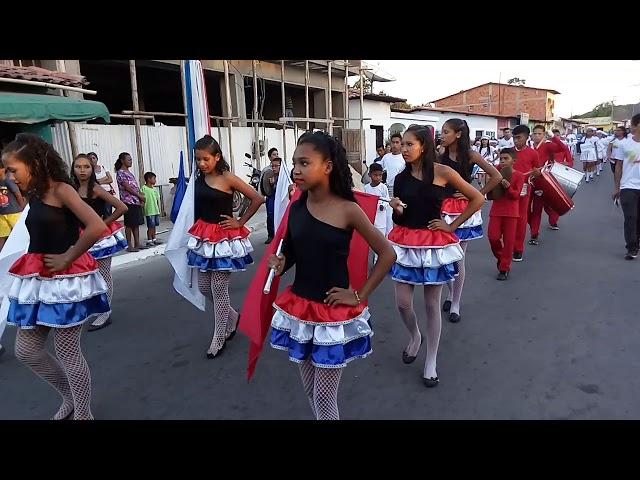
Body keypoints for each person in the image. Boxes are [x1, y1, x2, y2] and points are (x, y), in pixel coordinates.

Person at [268, 131, 396, 419]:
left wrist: (359, 295)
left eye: (304, 163)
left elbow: (388, 253)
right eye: (294, 163)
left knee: (325, 396)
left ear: (327, 166)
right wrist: (281, 262)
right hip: (300, 309)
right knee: (311, 391)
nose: (296, 170)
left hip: (331, 314)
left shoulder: (348, 209)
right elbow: (293, 251)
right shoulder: (297, 206)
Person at [2, 134, 110, 420]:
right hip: (38, 281)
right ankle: (70, 397)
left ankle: (83, 412)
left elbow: (96, 225)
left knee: (68, 352)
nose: (9, 176)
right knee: (26, 351)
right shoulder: (34, 195)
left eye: (13, 170)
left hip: (66, 282)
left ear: (34, 163)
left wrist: (68, 256)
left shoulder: (63, 190)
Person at [388, 125, 484, 387]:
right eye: (401, 144)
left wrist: (452, 226)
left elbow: (477, 198)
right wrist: (395, 207)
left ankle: (431, 361)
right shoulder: (400, 176)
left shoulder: (443, 172)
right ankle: (415, 336)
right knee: (403, 303)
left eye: (409, 144)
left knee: (432, 305)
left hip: (433, 244)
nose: (403, 149)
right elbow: (402, 214)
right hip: (406, 242)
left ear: (423, 146)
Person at [188, 135, 264, 357]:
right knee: (204, 287)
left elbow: (257, 198)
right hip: (204, 236)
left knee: (219, 289)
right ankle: (232, 317)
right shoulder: (198, 178)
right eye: (198, 159)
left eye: (206, 159)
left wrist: (239, 222)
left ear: (217, 157)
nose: (202, 164)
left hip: (224, 239)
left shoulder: (228, 177)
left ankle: (219, 337)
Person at [438, 119, 502, 323]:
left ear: (458, 134)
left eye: (446, 132)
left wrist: (475, 194)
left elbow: (496, 176)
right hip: (441, 208)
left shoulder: (472, 155)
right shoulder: (441, 154)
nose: (442, 135)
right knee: (443, 256)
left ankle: (456, 302)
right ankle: (450, 293)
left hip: (463, 210)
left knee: (458, 257)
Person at [71, 154, 129, 332]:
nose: (82, 170)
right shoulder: (69, 189)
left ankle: (105, 312)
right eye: (78, 167)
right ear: (72, 169)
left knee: (103, 274)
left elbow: (122, 207)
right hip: (77, 236)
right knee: (83, 274)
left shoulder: (95, 188)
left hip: (98, 238)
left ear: (92, 168)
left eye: (86, 167)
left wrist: (102, 224)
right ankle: (92, 307)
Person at [487, 148, 524, 280]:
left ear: (513, 161)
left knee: (509, 242)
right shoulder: (496, 172)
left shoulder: (519, 175)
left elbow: (516, 195)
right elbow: (490, 192)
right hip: (496, 211)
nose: (502, 161)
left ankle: (504, 268)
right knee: (493, 237)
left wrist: (508, 186)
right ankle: (501, 258)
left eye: (506, 159)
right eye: (501, 159)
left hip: (511, 212)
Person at [528, 125, 564, 241]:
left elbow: (561, 148)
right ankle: (534, 228)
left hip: (542, 181)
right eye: (535, 133)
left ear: (544, 135)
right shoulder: (528, 146)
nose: (537, 136)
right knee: (527, 209)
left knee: (540, 207)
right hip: (528, 182)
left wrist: (554, 137)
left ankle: (535, 233)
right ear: (532, 135)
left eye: (540, 134)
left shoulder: (548, 145)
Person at [511, 125, 541, 262]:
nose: (516, 141)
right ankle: (509, 246)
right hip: (509, 189)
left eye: (519, 138)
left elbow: (537, 171)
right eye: (514, 138)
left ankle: (518, 249)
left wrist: (535, 173)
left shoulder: (533, 153)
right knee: (509, 219)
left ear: (527, 137)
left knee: (521, 219)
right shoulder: (509, 152)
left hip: (524, 188)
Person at [613, 113, 640, 260]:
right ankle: (632, 247)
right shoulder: (624, 144)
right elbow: (618, 166)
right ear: (635, 125)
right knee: (631, 217)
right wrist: (617, 187)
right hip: (628, 186)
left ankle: (637, 241)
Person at [115, 152, 147, 252]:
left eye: (131, 159)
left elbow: (134, 186)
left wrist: (140, 195)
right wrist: (139, 196)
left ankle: (137, 243)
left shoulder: (129, 173)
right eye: (128, 159)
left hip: (135, 201)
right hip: (128, 201)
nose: (130, 161)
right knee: (129, 224)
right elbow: (127, 187)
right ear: (122, 161)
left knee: (136, 223)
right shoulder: (121, 173)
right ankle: (129, 245)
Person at [363, 162, 390, 262]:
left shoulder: (383, 188)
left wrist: (382, 205)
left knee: (380, 241)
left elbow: (387, 201)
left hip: (381, 219)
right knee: (370, 241)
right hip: (370, 219)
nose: (378, 177)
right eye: (375, 175)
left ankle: (377, 262)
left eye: (380, 175)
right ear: (370, 175)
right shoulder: (366, 188)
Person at [0, 163, 26, 252]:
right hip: (2, 214)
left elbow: (17, 194)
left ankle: (23, 251)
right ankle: (2, 255)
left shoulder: (8, 181)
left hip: (14, 212)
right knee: (2, 235)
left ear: (3, 169)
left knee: (19, 233)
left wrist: (22, 207)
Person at [87, 152, 115, 218]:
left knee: (108, 213)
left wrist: (99, 182)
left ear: (97, 159)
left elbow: (110, 179)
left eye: (93, 158)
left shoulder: (103, 167)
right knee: (99, 213)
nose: (92, 160)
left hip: (108, 192)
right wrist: (105, 178)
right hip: (97, 194)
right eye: (90, 158)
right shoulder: (89, 170)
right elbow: (93, 183)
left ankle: (108, 227)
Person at [262, 156, 281, 244]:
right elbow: (266, 189)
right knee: (270, 217)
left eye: (276, 166)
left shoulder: (284, 177)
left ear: (281, 166)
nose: (273, 168)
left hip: (279, 201)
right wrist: (271, 185)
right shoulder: (270, 175)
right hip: (271, 199)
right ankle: (271, 235)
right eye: (272, 166)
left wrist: (275, 184)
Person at [141, 171, 162, 247]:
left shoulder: (154, 189)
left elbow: (157, 200)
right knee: (150, 226)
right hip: (149, 211)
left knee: (154, 225)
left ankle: (154, 239)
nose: (155, 180)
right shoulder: (144, 188)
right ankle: (149, 240)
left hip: (155, 210)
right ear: (149, 179)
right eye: (154, 178)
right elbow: (142, 198)